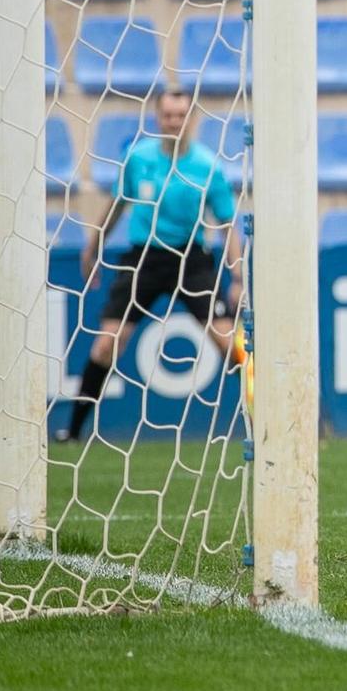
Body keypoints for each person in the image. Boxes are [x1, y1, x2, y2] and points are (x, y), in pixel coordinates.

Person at [61, 89, 245, 442]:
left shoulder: (207, 167)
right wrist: (94, 245)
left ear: (191, 120)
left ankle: (267, 418)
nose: (174, 122)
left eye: (180, 116)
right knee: (106, 344)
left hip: (191, 259)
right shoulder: (138, 159)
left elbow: (226, 224)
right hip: (143, 258)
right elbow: (118, 204)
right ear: (158, 118)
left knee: (229, 342)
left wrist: (236, 276)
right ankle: (72, 431)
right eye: (168, 116)